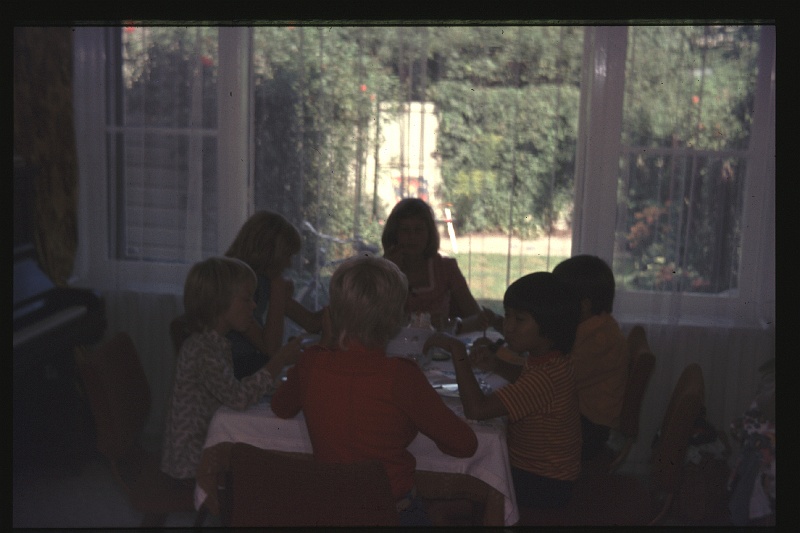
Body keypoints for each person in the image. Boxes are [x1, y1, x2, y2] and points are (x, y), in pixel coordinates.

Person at [271, 254, 478, 526]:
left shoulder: (312, 361)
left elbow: (281, 408)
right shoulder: (400, 375)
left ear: (331, 313)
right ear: (397, 319)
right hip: (390, 513)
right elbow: (465, 445)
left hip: (329, 512)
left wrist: (327, 341)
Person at [424, 271, 582, 509]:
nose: (507, 327)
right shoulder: (552, 361)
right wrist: (497, 364)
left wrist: (458, 353)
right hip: (544, 476)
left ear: (550, 325)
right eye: (507, 316)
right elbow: (526, 381)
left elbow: (477, 409)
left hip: (542, 484)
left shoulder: (546, 375)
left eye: (519, 319)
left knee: (441, 490)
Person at [160, 256, 302, 481]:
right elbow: (237, 398)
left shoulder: (215, 343)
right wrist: (278, 362)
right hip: (192, 461)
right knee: (272, 465)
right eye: (246, 299)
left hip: (207, 444)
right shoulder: (201, 349)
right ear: (219, 303)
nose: (253, 306)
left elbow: (229, 392)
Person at [225, 210, 323, 379]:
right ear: (269, 253)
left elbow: (311, 323)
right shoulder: (235, 284)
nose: (289, 264)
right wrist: (278, 293)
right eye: (287, 256)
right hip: (236, 373)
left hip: (254, 369)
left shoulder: (264, 280)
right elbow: (271, 349)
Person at [552, 255, 629, 461]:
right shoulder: (589, 328)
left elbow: (553, 378)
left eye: (558, 299)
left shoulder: (601, 340)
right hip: (581, 420)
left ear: (584, 306)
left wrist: (501, 360)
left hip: (591, 430)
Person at [381, 197, 496, 333]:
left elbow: (475, 317)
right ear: (394, 234)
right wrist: (388, 274)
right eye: (405, 230)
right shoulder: (383, 270)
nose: (412, 237)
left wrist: (448, 326)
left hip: (440, 349)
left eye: (418, 230)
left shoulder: (446, 268)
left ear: (430, 234)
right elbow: (372, 320)